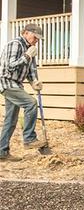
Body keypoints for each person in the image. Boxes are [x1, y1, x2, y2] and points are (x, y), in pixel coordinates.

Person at [0, 23, 46, 162]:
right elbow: (10, 66)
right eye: (35, 37)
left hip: (16, 84)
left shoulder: (30, 48)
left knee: (11, 120)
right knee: (31, 103)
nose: (36, 40)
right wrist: (26, 56)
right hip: (6, 82)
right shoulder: (15, 44)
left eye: (38, 38)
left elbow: (31, 69)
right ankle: (29, 138)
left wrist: (34, 82)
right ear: (26, 33)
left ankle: (2, 152)